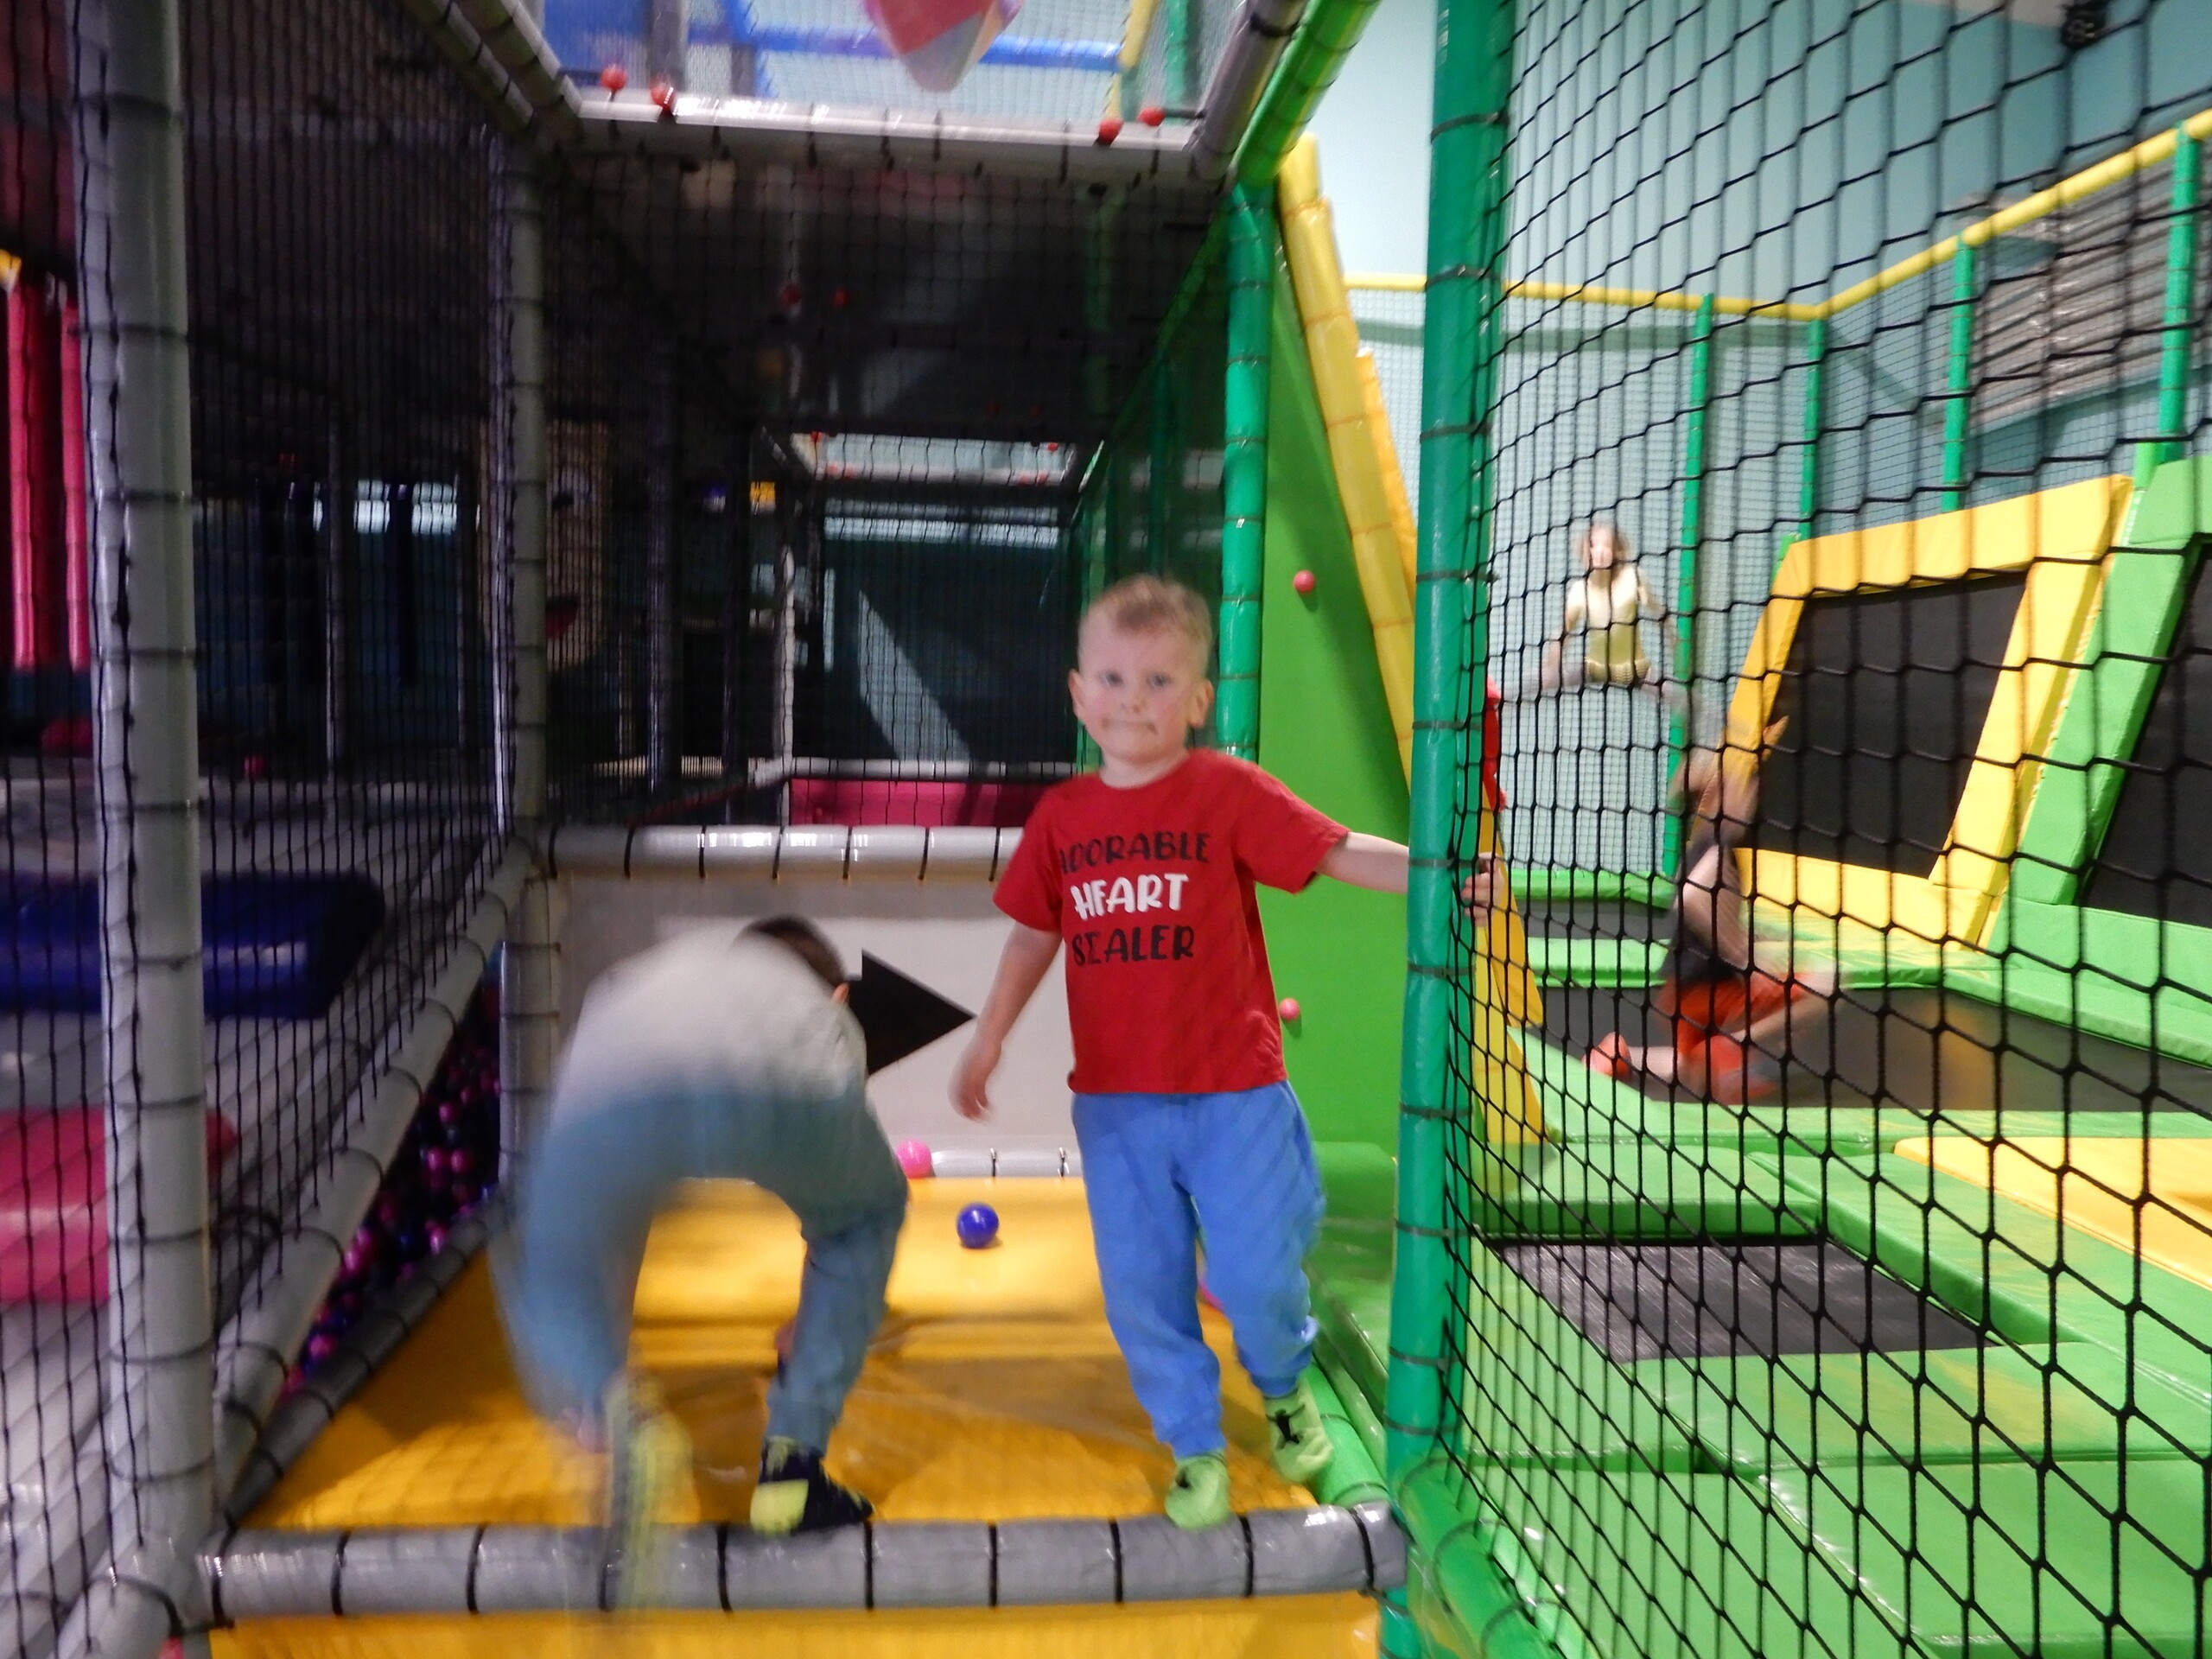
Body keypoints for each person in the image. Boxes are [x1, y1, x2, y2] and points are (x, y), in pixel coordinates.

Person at [948, 574, 1417, 1531]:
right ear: (1078, 692)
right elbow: (1033, 936)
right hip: (1117, 1107)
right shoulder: (1063, 819)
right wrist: (988, 1036)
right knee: (1141, 1288)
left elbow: (1331, 851)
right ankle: (1193, 1441)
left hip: (1233, 1092)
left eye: (1159, 682)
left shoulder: (1224, 791)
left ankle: (1282, 1385)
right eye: (1114, 679)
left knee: (1253, 1273)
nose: (1133, 701)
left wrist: (1438, 875)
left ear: (1199, 701)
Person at [495, 915, 905, 1602]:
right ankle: (794, 1470)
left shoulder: (654, 976)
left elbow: (597, 1234)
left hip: (619, 1075)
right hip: (789, 1081)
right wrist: (811, 1331)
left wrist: (602, 1364)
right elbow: (836, 1203)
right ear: (838, 995)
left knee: (562, 1245)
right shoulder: (818, 1011)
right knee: (865, 1218)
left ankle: (608, 1410)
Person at [1586, 727, 1834, 1104]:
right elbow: (1692, 899)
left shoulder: (1702, 846)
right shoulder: (1718, 849)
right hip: (1709, 993)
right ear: (1715, 800)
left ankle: (1621, 1055)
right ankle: (1730, 1047)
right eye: (1740, 790)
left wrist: (1757, 942)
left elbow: (1706, 913)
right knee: (1827, 982)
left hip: (1679, 995)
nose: (1749, 796)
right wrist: (1747, 963)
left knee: (1691, 1072)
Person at [1523, 523, 1681, 709]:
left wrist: (1677, 647)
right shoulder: (1580, 590)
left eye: (1606, 545)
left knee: (1687, 702)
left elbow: (1660, 614)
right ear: (1585, 552)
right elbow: (1564, 634)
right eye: (1593, 545)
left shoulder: (1633, 577)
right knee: (1529, 683)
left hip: (1637, 671)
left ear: (1617, 551)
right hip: (1595, 669)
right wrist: (1550, 668)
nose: (1599, 551)